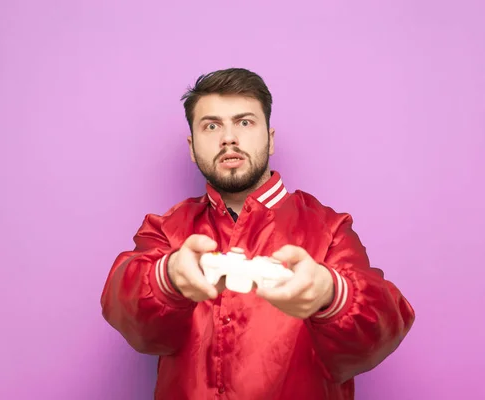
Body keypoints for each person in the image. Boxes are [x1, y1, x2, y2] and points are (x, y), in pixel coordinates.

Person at [100, 67, 416, 400]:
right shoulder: (165, 229)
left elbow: (381, 329)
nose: (229, 138)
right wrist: (169, 277)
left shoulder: (330, 228)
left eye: (245, 122)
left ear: (270, 138)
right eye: (211, 126)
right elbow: (127, 311)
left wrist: (330, 293)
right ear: (192, 147)